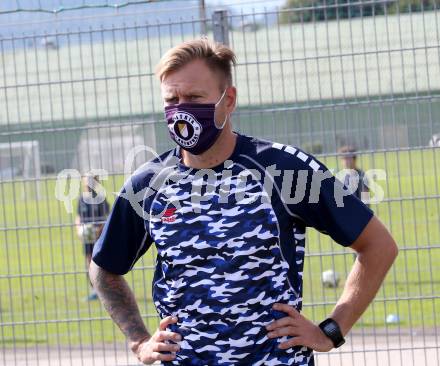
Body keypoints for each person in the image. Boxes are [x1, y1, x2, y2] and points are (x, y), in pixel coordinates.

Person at [89, 38, 398, 365]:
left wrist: (331, 330)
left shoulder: (284, 170)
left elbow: (378, 246)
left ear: (229, 100)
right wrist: (139, 341)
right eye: (172, 99)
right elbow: (104, 270)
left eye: (194, 97)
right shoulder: (149, 184)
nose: (181, 109)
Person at [75, 174, 110, 301]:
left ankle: (102, 290)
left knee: (99, 263)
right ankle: (94, 290)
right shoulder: (81, 199)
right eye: (85, 181)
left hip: (98, 237)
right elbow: (78, 216)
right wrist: (79, 229)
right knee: (89, 262)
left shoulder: (100, 199)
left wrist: (98, 230)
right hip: (87, 238)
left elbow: (107, 217)